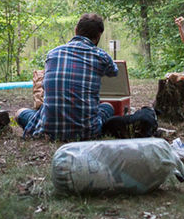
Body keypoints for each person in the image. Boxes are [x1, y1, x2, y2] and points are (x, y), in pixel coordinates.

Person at [16, 13, 118, 141]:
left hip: (48, 131)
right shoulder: (101, 56)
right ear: (98, 36)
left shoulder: (53, 53)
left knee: (20, 113)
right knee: (108, 106)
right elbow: (114, 72)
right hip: (87, 133)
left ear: (76, 30)